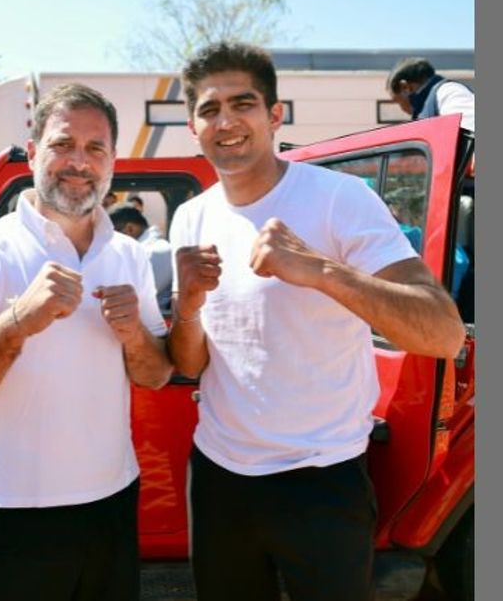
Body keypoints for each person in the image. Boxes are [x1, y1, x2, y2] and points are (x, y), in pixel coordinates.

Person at [168, 42, 466, 601]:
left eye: (244, 103)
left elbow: (442, 331)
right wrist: (186, 306)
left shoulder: (338, 199)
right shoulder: (192, 215)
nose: (226, 121)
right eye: (210, 109)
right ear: (193, 125)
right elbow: (191, 362)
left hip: (322, 479)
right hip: (219, 478)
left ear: (275, 114)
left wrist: (321, 270)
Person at [0, 83, 173, 601]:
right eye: (63, 144)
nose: (78, 162)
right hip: (14, 511)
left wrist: (132, 336)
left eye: (95, 148)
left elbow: (156, 373)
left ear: (112, 162)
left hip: (112, 500)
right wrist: (17, 321)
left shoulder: (128, 254)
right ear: (34, 151)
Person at [108, 204, 173, 312]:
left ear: (130, 229)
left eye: (113, 236)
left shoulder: (157, 252)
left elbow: (134, 297)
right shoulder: (142, 251)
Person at [387, 57, 475, 133]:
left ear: (405, 87)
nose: (402, 109)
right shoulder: (431, 102)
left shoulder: (447, 92)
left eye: (398, 102)